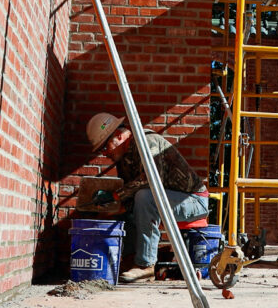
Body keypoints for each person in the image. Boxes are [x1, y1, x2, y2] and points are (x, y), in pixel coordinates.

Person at [86, 112, 209, 283]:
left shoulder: (146, 141)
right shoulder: (124, 159)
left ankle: (146, 266)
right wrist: (114, 207)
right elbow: (130, 195)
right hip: (163, 199)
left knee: (145, 197)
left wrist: (115, 195)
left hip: (193, 201)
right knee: (125, 208)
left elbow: (151, 179)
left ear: (120, 136)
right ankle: (130, 262)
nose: (105, 154)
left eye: (105, 148)